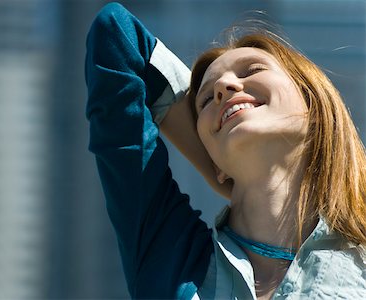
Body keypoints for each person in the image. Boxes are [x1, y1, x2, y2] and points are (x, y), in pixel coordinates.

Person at [85, 2, 366, 299]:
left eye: (252, 71)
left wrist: (223, 131)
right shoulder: (170, 256)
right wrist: (218, 163)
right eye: (207, 99)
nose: (225, 86)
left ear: (313, 106)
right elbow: (115, 33)